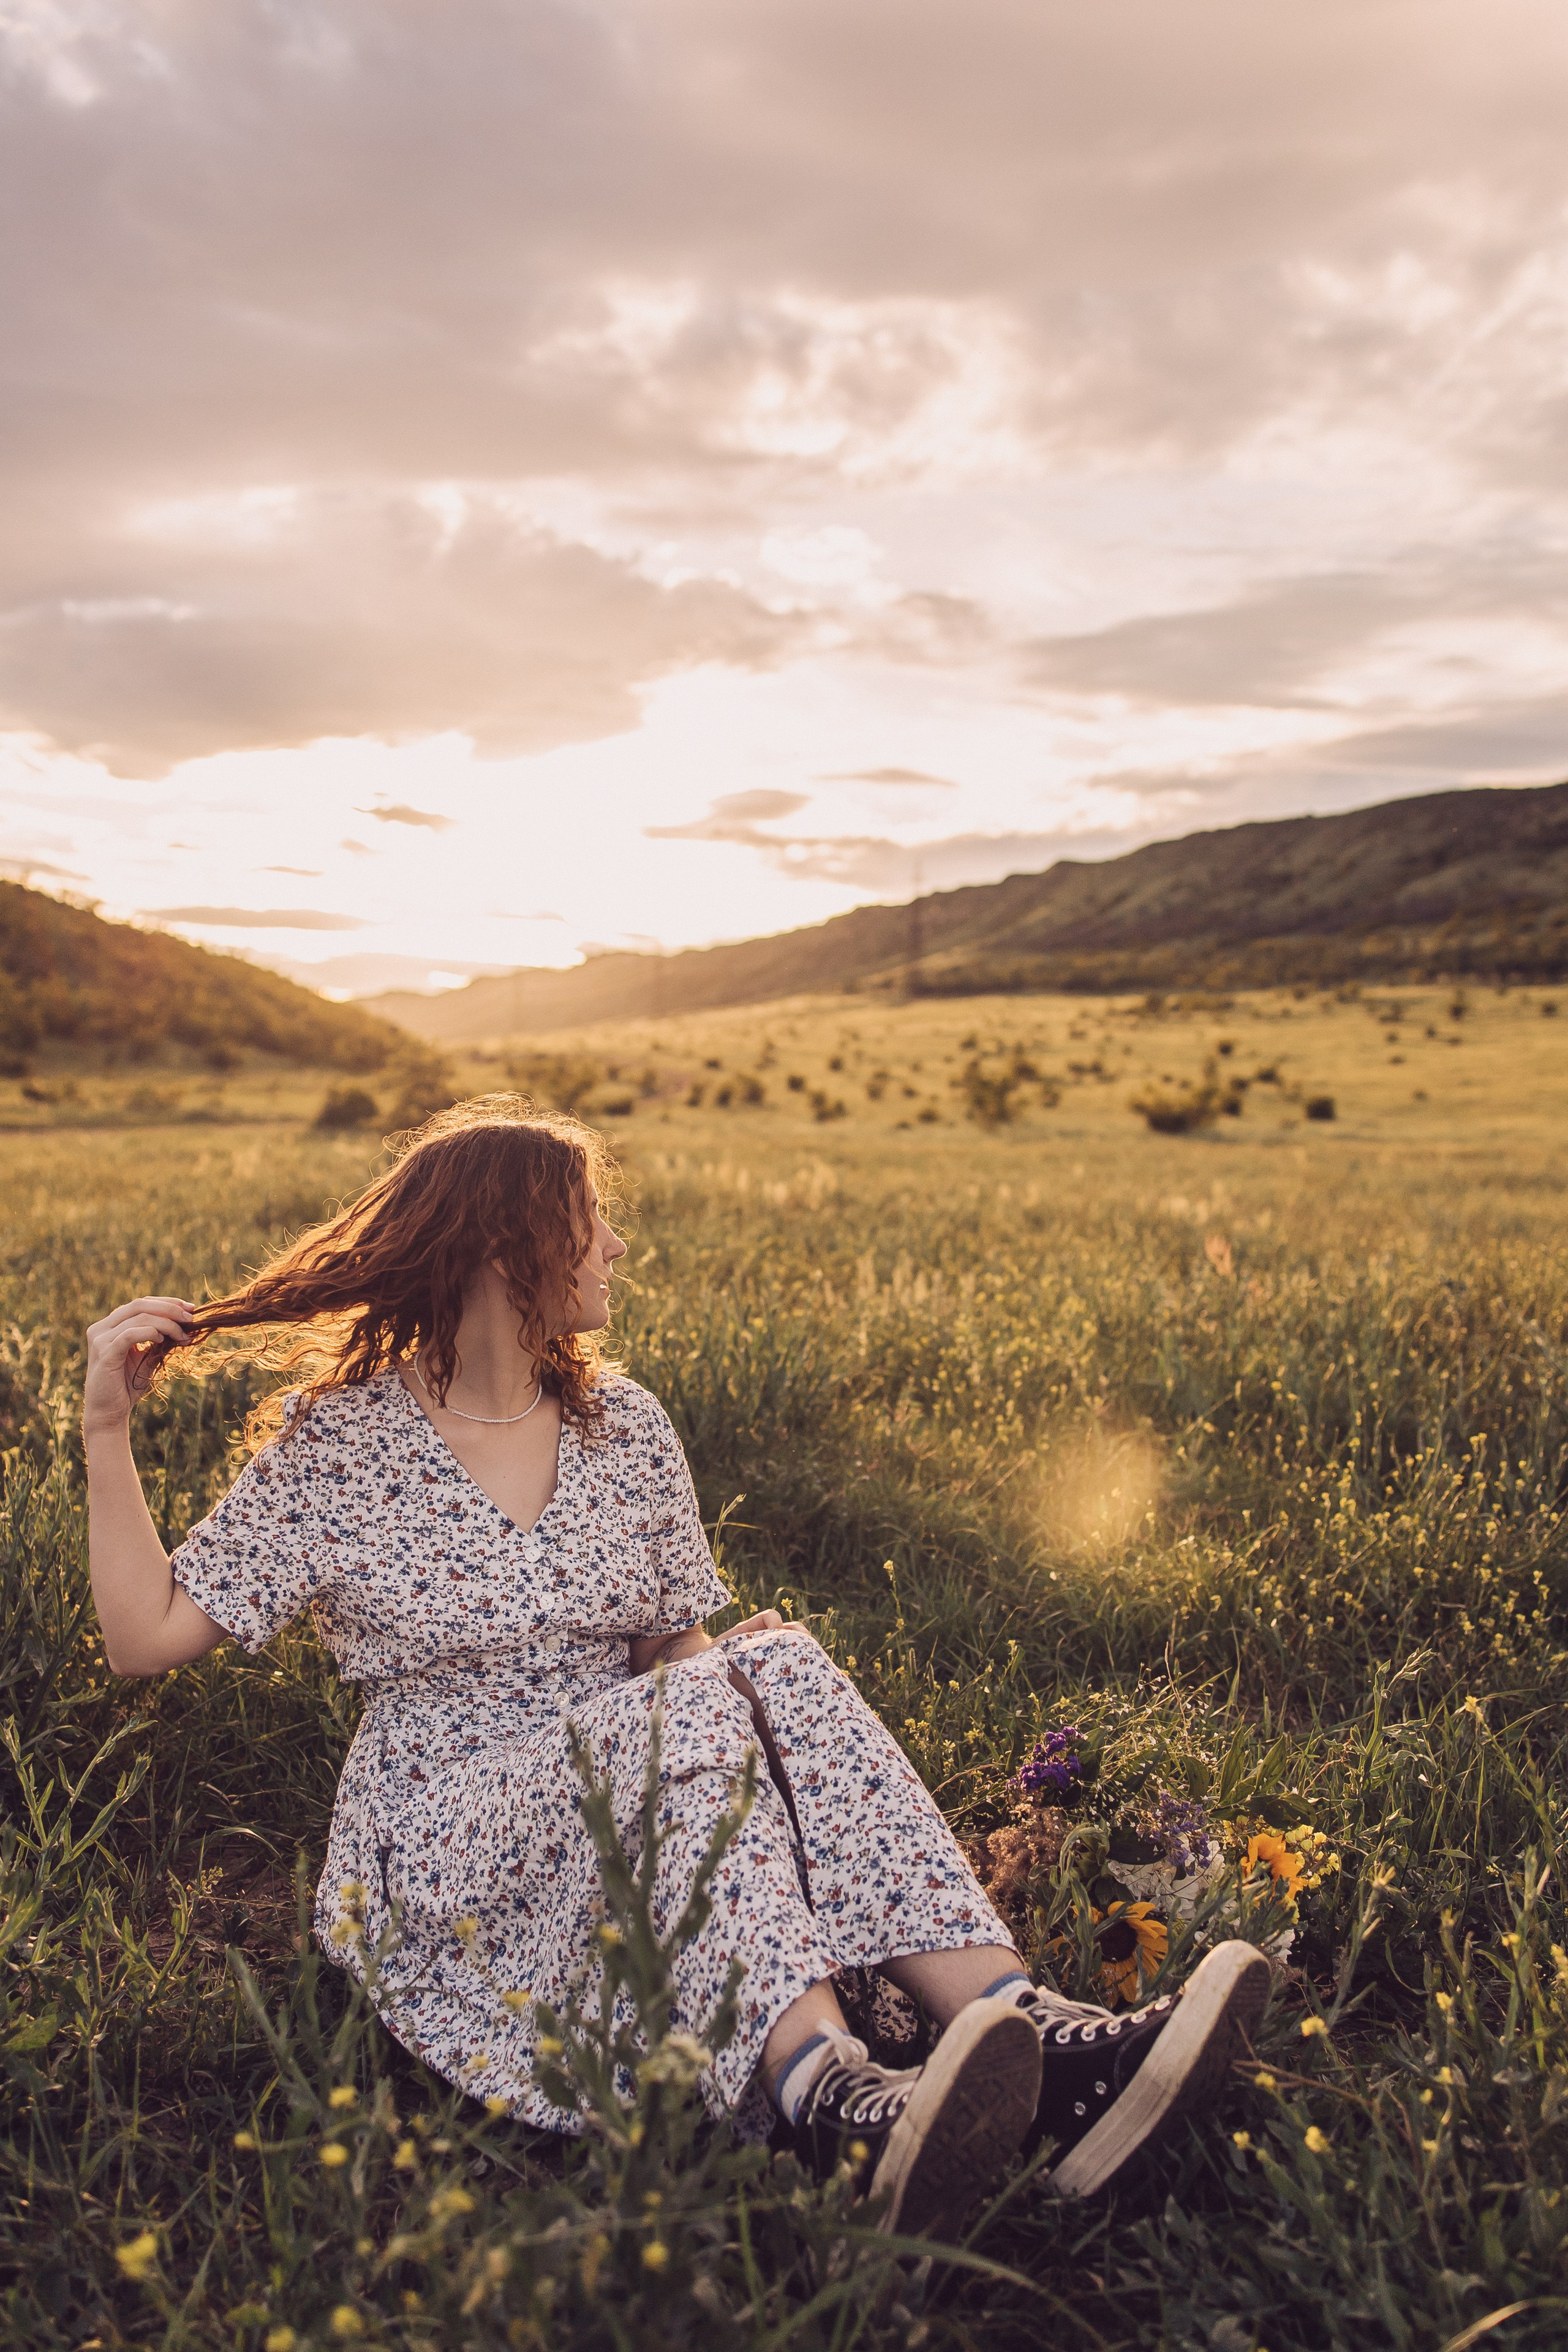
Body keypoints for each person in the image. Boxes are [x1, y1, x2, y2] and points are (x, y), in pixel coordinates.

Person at [83, 1098, 1267, 2237]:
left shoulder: (625, 1426)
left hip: (635, 1792)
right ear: (506, 1242)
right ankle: (832, 2105)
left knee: (772, 1661)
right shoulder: (336, 1442)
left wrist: (757, 1743)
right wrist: (103, 1434)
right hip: (448, 1831)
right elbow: (148, 1638)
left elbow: (672, 1647)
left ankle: (1037, 2040)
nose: (614, 1242)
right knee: (702, 1692)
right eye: (587, 1215)